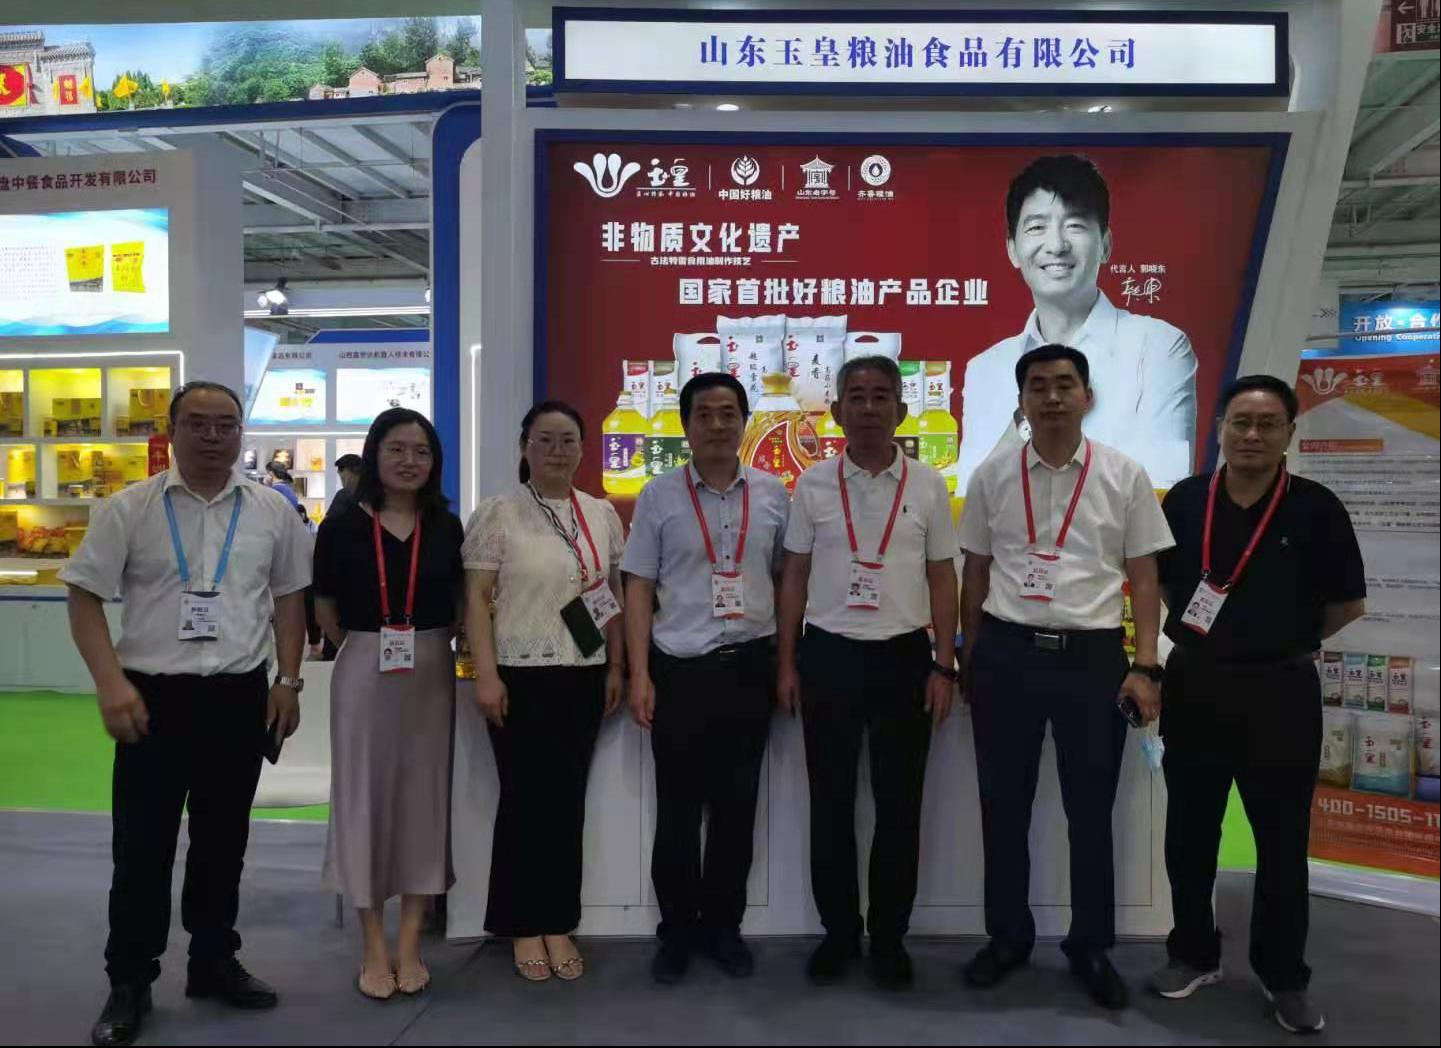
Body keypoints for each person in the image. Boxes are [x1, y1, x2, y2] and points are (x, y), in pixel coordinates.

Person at [59, 380, 311, 1048]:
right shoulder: (129, 508)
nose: (212, 436)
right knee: (141, 847)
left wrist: (288, 680)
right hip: (153, 698)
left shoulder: (271, 510)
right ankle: (129, 980)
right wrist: (110, 684)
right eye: (197, 423)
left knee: (223, 841)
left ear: (241, 432)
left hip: (238, 696)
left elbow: (290, 597)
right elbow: (83, 597)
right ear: (171, 431)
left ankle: (213, 959)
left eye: (226, 424)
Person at [957, 344, 1174, 1010]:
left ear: (1087, 396)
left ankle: (1090, 945)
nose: (1051, 397)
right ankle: (1007, 937)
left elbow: (1143, 577)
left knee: (1090, 809)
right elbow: (976, 571)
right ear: (1021, 399)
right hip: (1006, 653)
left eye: (1064, 384)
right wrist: (971, 655)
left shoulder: (1123, 475)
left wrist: (1145, 665)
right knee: (1003, 805)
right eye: (1037, 386)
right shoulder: (992, 475)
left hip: (1092, 659)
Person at [1150, 375, 1365, 1035]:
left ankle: (1283, 975)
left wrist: (1278, 642)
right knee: (1189, 832)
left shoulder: (1316, 508)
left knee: (1281, 842)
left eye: (1267, 423)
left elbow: (1346, 604)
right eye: (1240, 421)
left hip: (1280, 691)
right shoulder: (1186, 501)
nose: (1251, 435)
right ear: (1220, 428)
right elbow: (1161, 585)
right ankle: (1193, 953)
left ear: (1288, 433)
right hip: (1195, 685)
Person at [776, 355, 959, 991]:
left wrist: (944, 665)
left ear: (901, 410)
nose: (870, 407)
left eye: (882, 396)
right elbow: (794, 576)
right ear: (837, 411)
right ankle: (837, 933)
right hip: (828, 657)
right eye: (856, 396)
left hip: (905, 660)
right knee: (829, 804)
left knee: (899, 807)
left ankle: (888, 938)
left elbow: (943, 577)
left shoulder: (929, 485)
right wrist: (787, 662)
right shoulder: (813, 485)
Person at [622, 373, 789, 985]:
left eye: (728, 413)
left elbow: (784, 581)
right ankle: (677, 931)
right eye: (704, 414)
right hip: (680, 670)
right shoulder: (658, 496)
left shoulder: (773, 494)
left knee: (736, 808)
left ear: (744, 421)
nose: (717, 424)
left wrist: (784, 663)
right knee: (678, 809)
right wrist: (640, 673)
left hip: (748, 667)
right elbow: (638, 587)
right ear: (686, 425)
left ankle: (723, 927)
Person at [463, 400, 626, 983]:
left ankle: (559, 921)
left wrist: (615, 667)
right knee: (524, 803)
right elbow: (476, 600)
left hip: (583, 674)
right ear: (524, 447)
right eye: (545, 440)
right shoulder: (499, 513)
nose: (557, 451)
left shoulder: (600, 514)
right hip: (519, 675)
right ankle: (521, 924)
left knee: (566, 804)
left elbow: (611, 598)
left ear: (582, 449)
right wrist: (486, 675)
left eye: (567, 440)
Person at [312, 408, 465, 1001]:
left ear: (434, 462)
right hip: (363, 668)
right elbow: (325, 606)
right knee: (363, 801)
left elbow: (460, 603)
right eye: (397, 449)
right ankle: (373, 943)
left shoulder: (446, 526)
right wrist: (365, 644)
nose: (409, 461)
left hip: (430, 669)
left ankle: (409, 943)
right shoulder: (342, 525)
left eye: (421, 451)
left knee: (426, 801)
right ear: (375, 453)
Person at [957, 153, 1197, 493]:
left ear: (1106, 245)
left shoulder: (1159, 347)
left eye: (1075, 225)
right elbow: (972, 496)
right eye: (1036, 227)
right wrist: (1026, 422)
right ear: (1012, 250)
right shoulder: (985, 369)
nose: (1056, 245)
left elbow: (1161, 486)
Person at [328, 453, 364, 519]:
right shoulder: (342, 495)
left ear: (356, 469)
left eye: (341, 468)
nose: (338, 472)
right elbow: (328, 521)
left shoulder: (370, 495)